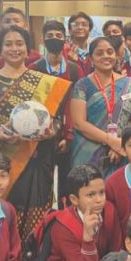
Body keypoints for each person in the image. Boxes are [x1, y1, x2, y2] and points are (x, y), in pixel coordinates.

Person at [0, 25, 72, 241]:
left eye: (19, 44)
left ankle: (32, 259)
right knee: (3, 221)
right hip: (2, 163)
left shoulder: (44, 81)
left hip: (37, 161)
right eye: (8, 44)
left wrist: (51, 131)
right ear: (0, 50)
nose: (14, 48)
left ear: (28, 50)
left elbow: (58, 120)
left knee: (36, 223)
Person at [44, 165, 123, 261]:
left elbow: (115, 255)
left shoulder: (109, 211)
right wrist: (87, 239)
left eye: (102, 192)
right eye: (90, 195)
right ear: (74, 199)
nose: (99, 200)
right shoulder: (63, 226)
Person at [28, 20, 85, 208]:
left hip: (69, 137)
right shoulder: (34, 69)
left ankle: (66, 217)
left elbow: (78, 104)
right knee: (42, 185)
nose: (54, 39)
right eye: (50, 36)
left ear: (65, 39)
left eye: (59, 36)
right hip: (42, 138)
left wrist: (68, 136)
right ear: (43, 40)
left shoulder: (75, 70)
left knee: (68, 185)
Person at [70, 36, 131, 175]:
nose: (106, 56)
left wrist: (121, 141)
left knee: (118, 186)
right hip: (88, 152)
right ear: (91, 59)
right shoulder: (82, 85)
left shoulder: (130, 84)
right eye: (99, 53)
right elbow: (79, 123)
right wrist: (112, 141)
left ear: (116, 56)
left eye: (110, 52)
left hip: (122, 150)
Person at [0, 7, 41, 76]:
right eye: (7, 21)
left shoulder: (36, 57)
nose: (12, 24)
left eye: (17, 21)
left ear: (26, 26)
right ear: (0, 26)